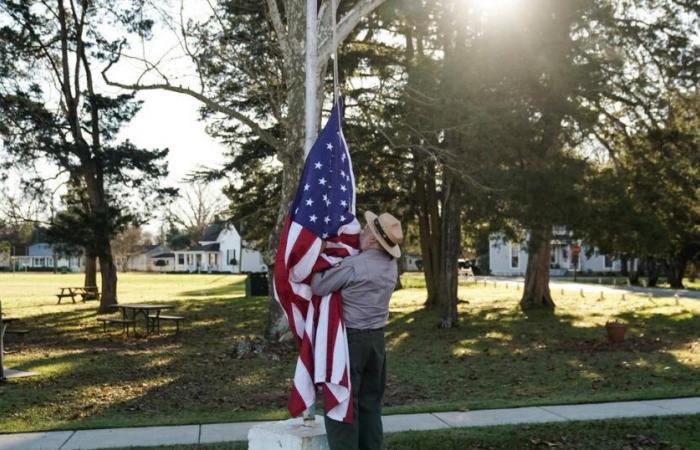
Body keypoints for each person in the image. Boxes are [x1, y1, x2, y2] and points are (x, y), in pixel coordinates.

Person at [311, 211, 403, 450]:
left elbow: (320, 285)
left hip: (351, 342)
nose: (361, 231)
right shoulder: (392, 266)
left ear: (373, 239)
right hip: (377, 342)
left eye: (365, 229)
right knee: (371, 403)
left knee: (342, 405)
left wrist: (320, 254)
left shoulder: (356, 265)